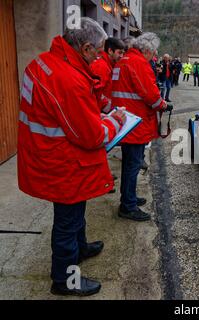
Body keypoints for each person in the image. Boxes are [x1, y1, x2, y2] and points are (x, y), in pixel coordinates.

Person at [17, 17, 126, 297]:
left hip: (49, 153)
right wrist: (114, 120)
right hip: (63, 162)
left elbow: (65, 115)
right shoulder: (67, 78)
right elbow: (90, 136)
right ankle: (65, 279)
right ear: (86, 47)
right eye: (99, 51)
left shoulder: (43, 62)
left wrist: (92, 114)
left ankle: (80, 247)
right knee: (67, 220)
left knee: (74, 213)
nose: (101, 56)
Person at [112, 32, 167, 222]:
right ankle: (128, 205)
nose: (154, 55)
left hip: (127, 120)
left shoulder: (124, 61)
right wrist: (163, 104)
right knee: (132, 165)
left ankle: (129, 198)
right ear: (147, 50)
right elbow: (151, 95)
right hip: (135, 122)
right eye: (153, 52)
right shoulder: (138, 63)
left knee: (130, 164)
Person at [90, 37, 125, 113]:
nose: (122, 56)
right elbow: (96, 93)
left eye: (123, 53)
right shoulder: (102, 66)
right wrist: (109, 109)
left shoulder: (108, 65)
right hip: (100, 111)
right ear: (110, 51)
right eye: (119, 52)